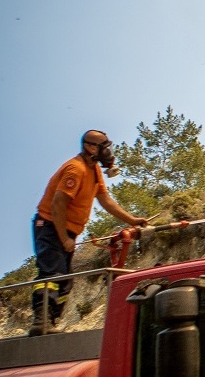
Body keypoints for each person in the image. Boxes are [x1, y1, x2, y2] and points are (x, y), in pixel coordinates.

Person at [30, 130, 148, 335]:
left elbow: (106, 201)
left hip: (66, 229)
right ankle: (41, 323)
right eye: (105, 147)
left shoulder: (94, 171)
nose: (108, 152)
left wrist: (132, 220)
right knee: (52, 274)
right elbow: (58, 205)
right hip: (50, 226)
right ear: (91, 148)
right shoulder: (75, 170)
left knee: (65, 280)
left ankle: (51, 322)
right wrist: (64, 238)